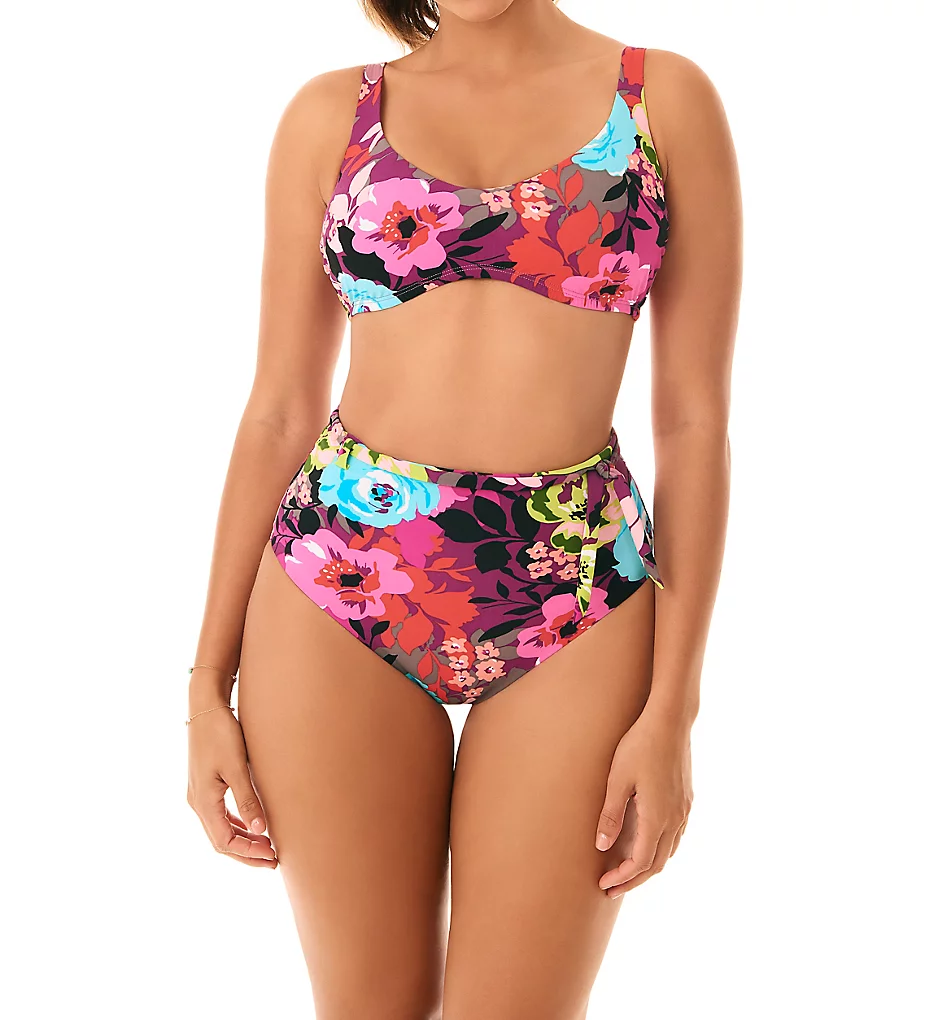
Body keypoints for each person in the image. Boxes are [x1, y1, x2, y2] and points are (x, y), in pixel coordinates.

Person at [186, 1, 741, 1016]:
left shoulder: (660, 99)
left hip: (576, 593)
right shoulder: (332, 113)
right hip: (338, 582)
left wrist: (674, 712)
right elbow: (276, 411)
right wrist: (204, 689)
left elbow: (694, 423)